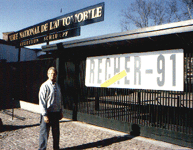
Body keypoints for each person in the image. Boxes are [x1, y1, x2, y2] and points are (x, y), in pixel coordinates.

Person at [38, 67, 63, 150]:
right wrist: (44, 114)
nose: (52, 75)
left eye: (54, 74)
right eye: (51, 73)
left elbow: (59, 100)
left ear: (56, 75)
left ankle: (56, 148)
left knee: (56, 134)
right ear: (48, 75)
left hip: (56, 113)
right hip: (47, 113)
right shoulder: (44, 86)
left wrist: (60, 111)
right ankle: (42, 149)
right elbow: (42, 101)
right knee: (44, 133)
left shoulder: (57, 86)